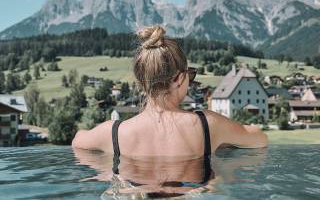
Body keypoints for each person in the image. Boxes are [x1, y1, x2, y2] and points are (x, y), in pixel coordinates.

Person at [72, 25, 268, 157]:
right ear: (180, 79)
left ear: (141, 82)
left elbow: (77, 140)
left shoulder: (113, 132)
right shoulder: (208, 125)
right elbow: (259, 138)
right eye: (190, 76)